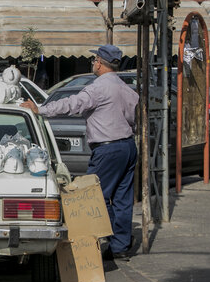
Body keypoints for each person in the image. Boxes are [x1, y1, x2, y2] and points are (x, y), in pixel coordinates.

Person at [20, 44, 139, 261]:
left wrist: (41, 109)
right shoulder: (125, 88)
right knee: (122, 198)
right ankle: (120, 245)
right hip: (127, 146)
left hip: (108, 149)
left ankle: (98, 243)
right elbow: (132, 118)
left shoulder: (99, 87)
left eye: (94, 59)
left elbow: (72, 104)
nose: (92, 62)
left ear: (100, 63)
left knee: (93, 197)